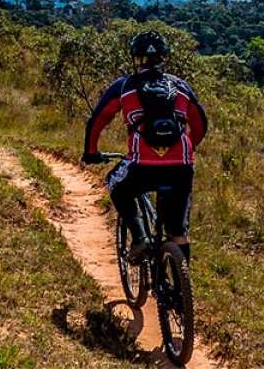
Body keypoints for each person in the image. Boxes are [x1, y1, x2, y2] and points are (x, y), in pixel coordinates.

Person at [81, 30, 208, 264]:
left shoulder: (124, 86)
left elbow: (97, 120)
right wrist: (188, 149)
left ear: (135, 59)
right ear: (163, 58)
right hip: (181, 167)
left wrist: (91, 152)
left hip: (141, 166)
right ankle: (181, 281)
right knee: (178, 231)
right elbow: (200, 124)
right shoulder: (180, 86)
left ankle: (140, 238)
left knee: (115, 184)